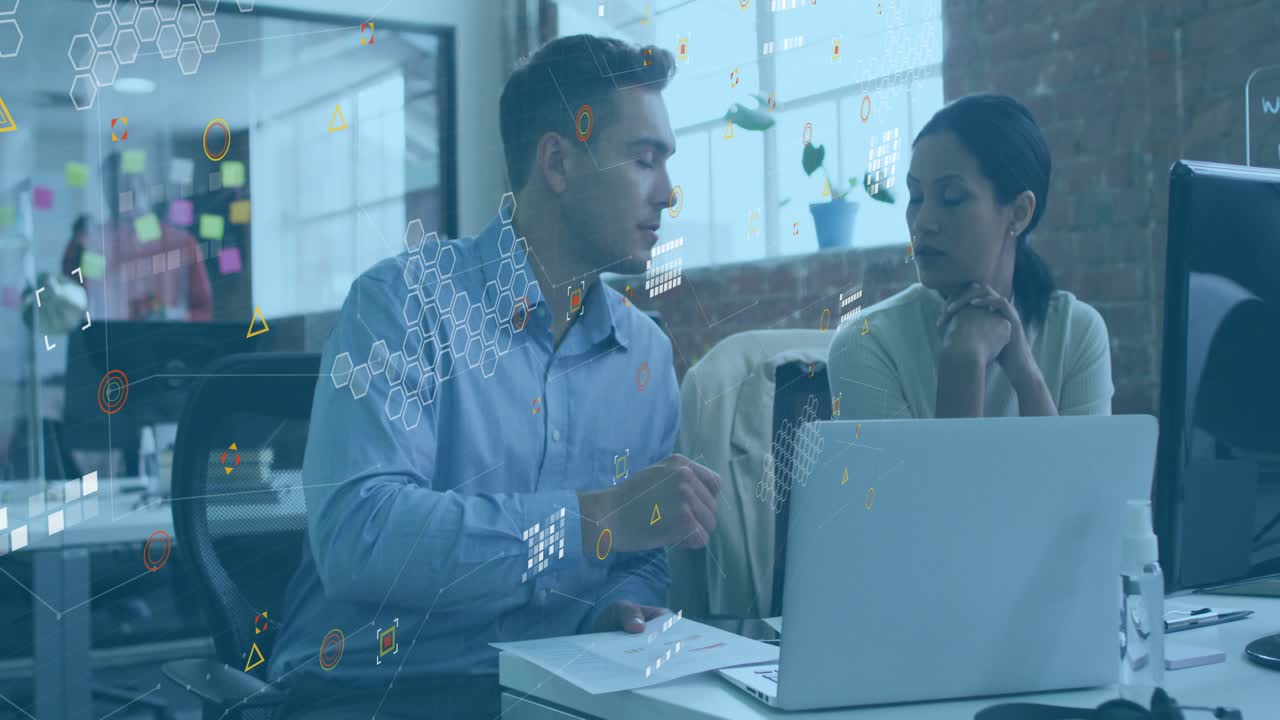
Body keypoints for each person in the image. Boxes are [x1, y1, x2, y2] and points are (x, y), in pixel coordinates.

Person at [269, 35, 721, 719]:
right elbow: (359, 537)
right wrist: (593, 518)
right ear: (558, 162)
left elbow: (640, 555)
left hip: (554, 692)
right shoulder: (402, 304)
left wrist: (612, 609)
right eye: (643, 159)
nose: (667, 192)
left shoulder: (644, 355)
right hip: (372, 694)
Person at [828, 94, 1113, 418]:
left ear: (1019, 213)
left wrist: (1026, 375)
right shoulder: (867, 344)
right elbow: (940, 473)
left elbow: (1079, 470)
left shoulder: (1075, 331)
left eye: (951, 197)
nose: (923, 222)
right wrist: (963, 362)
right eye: (916, 196)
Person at [82, 153, 213, 321]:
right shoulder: (95, 247)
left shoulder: (182, 244)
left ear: (143, 187)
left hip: (168, 342)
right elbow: (84, 307)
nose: (122, 199)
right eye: (113, 192)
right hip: (115, 343)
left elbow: (203, 312)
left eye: (128, 189)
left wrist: (172, 317)